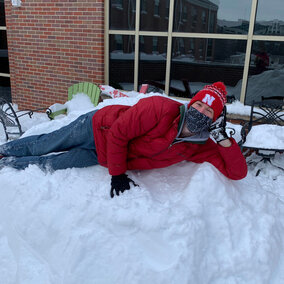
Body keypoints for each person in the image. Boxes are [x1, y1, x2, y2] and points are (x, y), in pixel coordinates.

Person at [0, 82, 247, 198]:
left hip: (102, 155)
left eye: (208, 112)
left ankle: (5, 165)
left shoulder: (199, 146)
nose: (201, 112)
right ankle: (4, 150)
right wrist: (118, 173)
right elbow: (119, 133)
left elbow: (237, 173)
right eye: (199, 105)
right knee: (45, 144)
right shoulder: (160, 108)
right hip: (96, 127)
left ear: (214, 119)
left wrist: (221, 138)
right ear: (192, 102)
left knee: (54, 164)